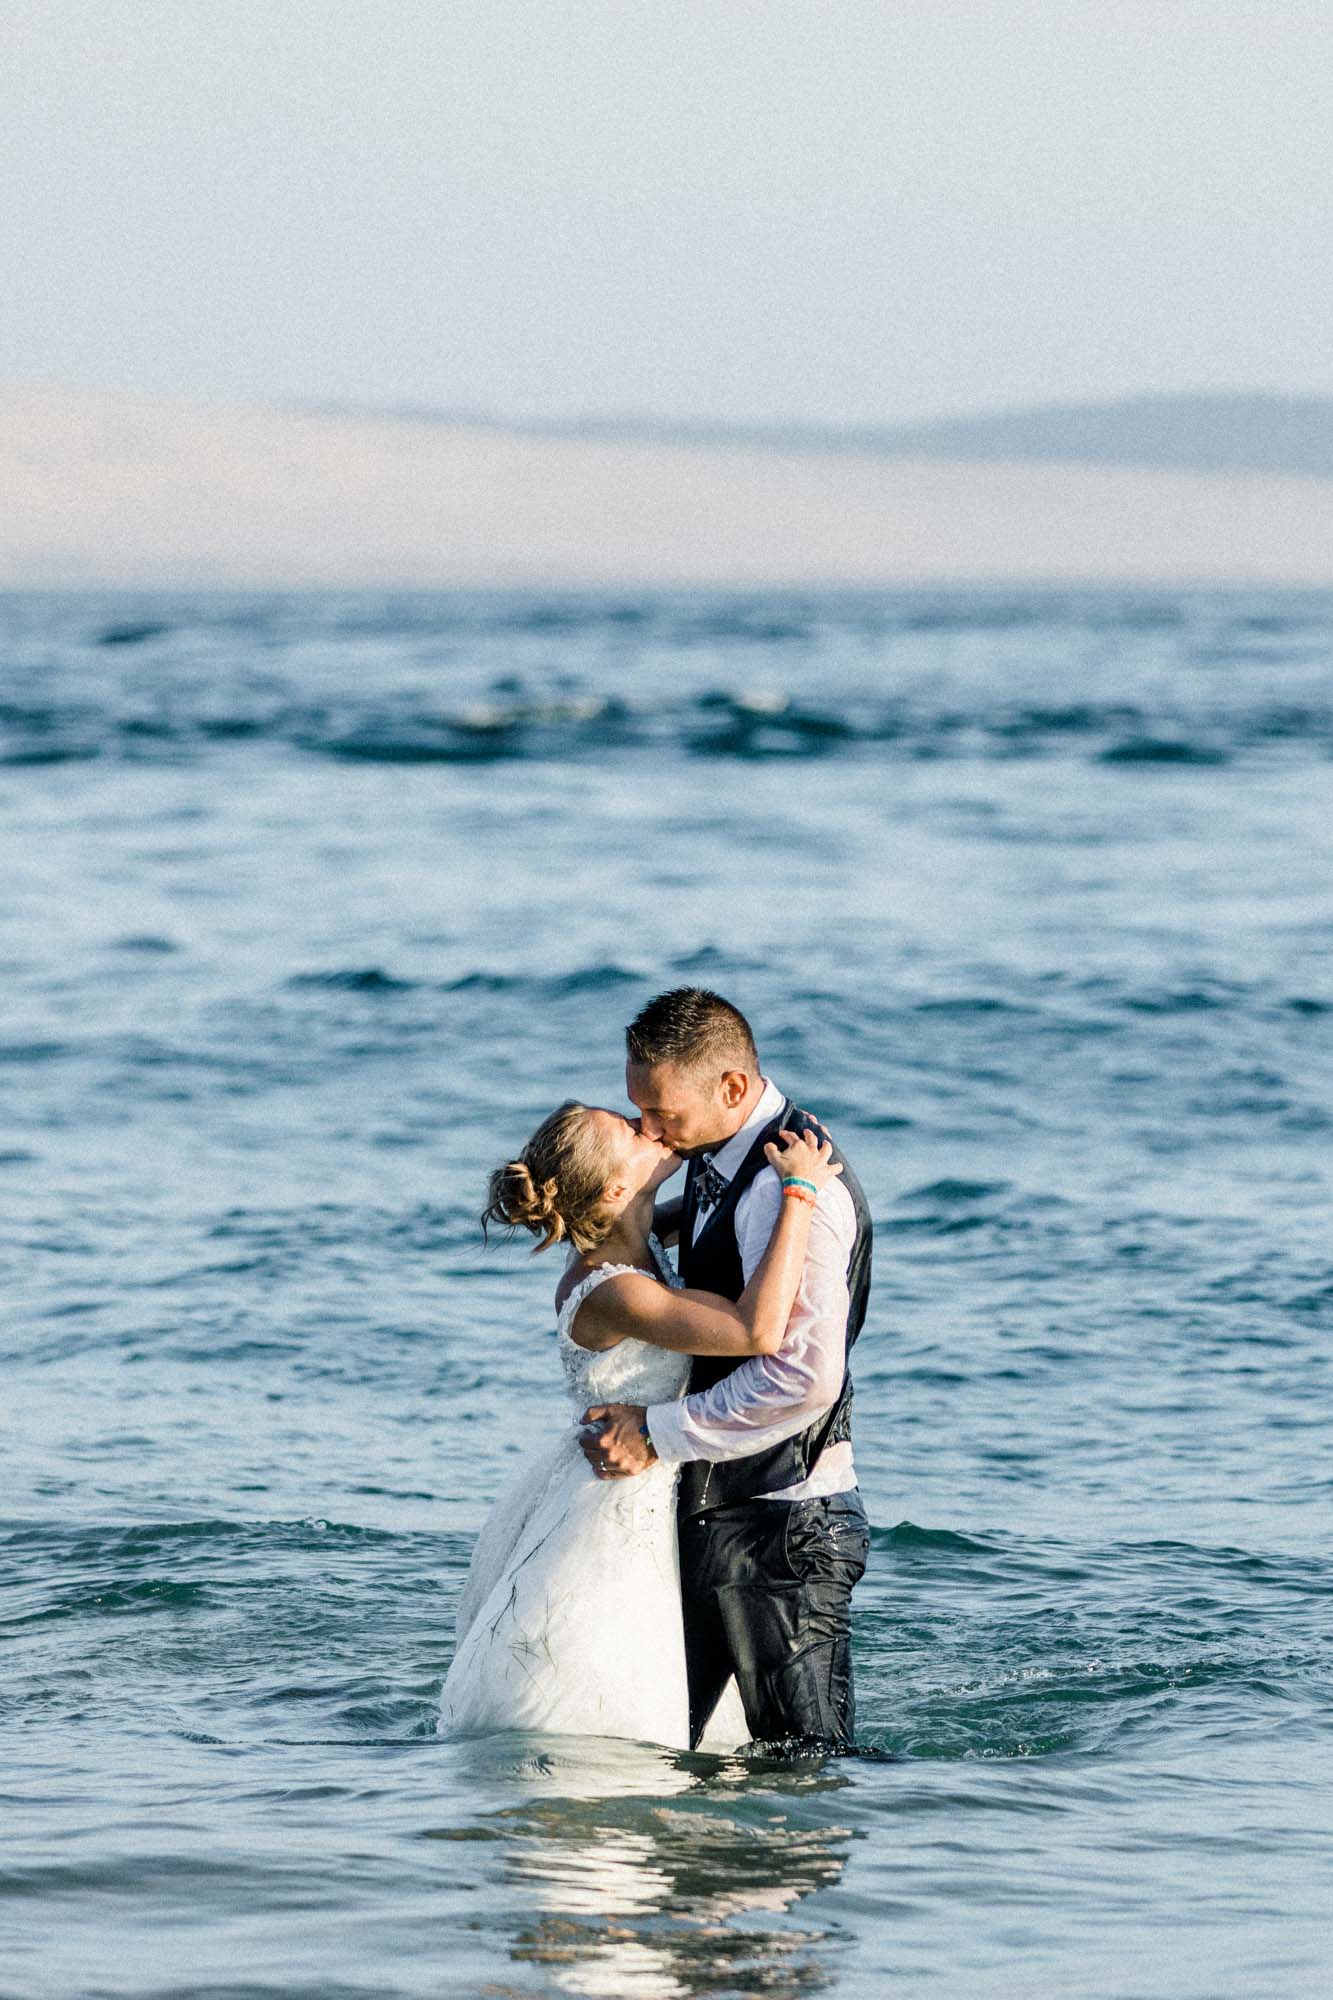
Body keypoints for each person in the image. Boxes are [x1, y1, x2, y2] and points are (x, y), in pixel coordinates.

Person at [436, 1096, 844, 1748]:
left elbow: (717, 1218)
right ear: (615, 1188)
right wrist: (798, 1193)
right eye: (631, 1130)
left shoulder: (636, 1236)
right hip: (621, 1484)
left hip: (655, 1474)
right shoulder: (614, 1289)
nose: (650, 1126)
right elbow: (752, 1328)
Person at [581, 987, 872, 1750]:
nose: (649, 1130)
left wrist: (656, 1430)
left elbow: (800, 1377)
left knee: (800, 1765)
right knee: (697, 1752)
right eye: (637, 1111)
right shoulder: (718, 1152)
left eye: (662, 1114)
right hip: (723, 1508)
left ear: (732, 1089)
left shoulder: (789, 1188)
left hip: (780, 1523)